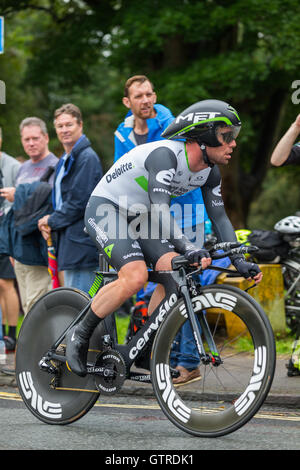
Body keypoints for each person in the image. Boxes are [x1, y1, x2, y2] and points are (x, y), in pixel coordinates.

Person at [64, 99, 262, 378]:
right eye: (226, 136)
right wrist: (189, 246)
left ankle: (143, 349)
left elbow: (220, 219)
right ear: (204, 136)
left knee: (176, 272)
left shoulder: (210, 173)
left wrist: (240, 261)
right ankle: (78, 334)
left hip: (140, 217)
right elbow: (159, 207)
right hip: (107, 208)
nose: (233, 144)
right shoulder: (166, 156)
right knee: (134, 277)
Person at [38, 103, 103, 294]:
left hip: (82, 241)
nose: (64, 130)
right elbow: (61, 199)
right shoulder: (65, 159)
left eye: (69, 125)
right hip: (68, 241)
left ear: (80, 125)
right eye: (60, 126)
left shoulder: (86, 158)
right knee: (73, 301)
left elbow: (79, 201)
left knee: (81, 304)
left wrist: (52, 220)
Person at [0, 118, 58, 317]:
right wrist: (12, 249)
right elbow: (18, 211)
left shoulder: (55, 166)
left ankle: (40, 348)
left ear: (46, 138)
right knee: (27, 305)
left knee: (38, 304)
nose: (31, 143)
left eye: (35, 138)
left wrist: (18, 194)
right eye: (26, 139)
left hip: (40, 250)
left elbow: (50, 202)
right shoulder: (22, 168)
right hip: (20, 250)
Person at [114, 75, 175, 161]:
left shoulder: (171, 127)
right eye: (138, 96)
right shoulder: (121, 135)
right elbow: (119, 172)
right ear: (127, 102)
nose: (146, 101)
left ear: (154, 97)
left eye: (148, 95)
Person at [0, 127, 21, 352]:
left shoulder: (13, 165)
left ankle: (11, 335)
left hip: (6, 230)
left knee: (6, 283)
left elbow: (20, 198)